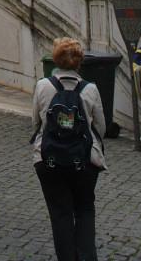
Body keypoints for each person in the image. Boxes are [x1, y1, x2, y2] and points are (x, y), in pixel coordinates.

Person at [32, 36, 106, 261]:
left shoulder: (43, 86)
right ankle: (86, 256)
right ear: (79, 62)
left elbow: (36, 122)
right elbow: (100, 126)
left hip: (49, 159)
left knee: (60, 213)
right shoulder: (90, 89)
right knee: (84, 208)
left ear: (55, 60)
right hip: (83, 160)